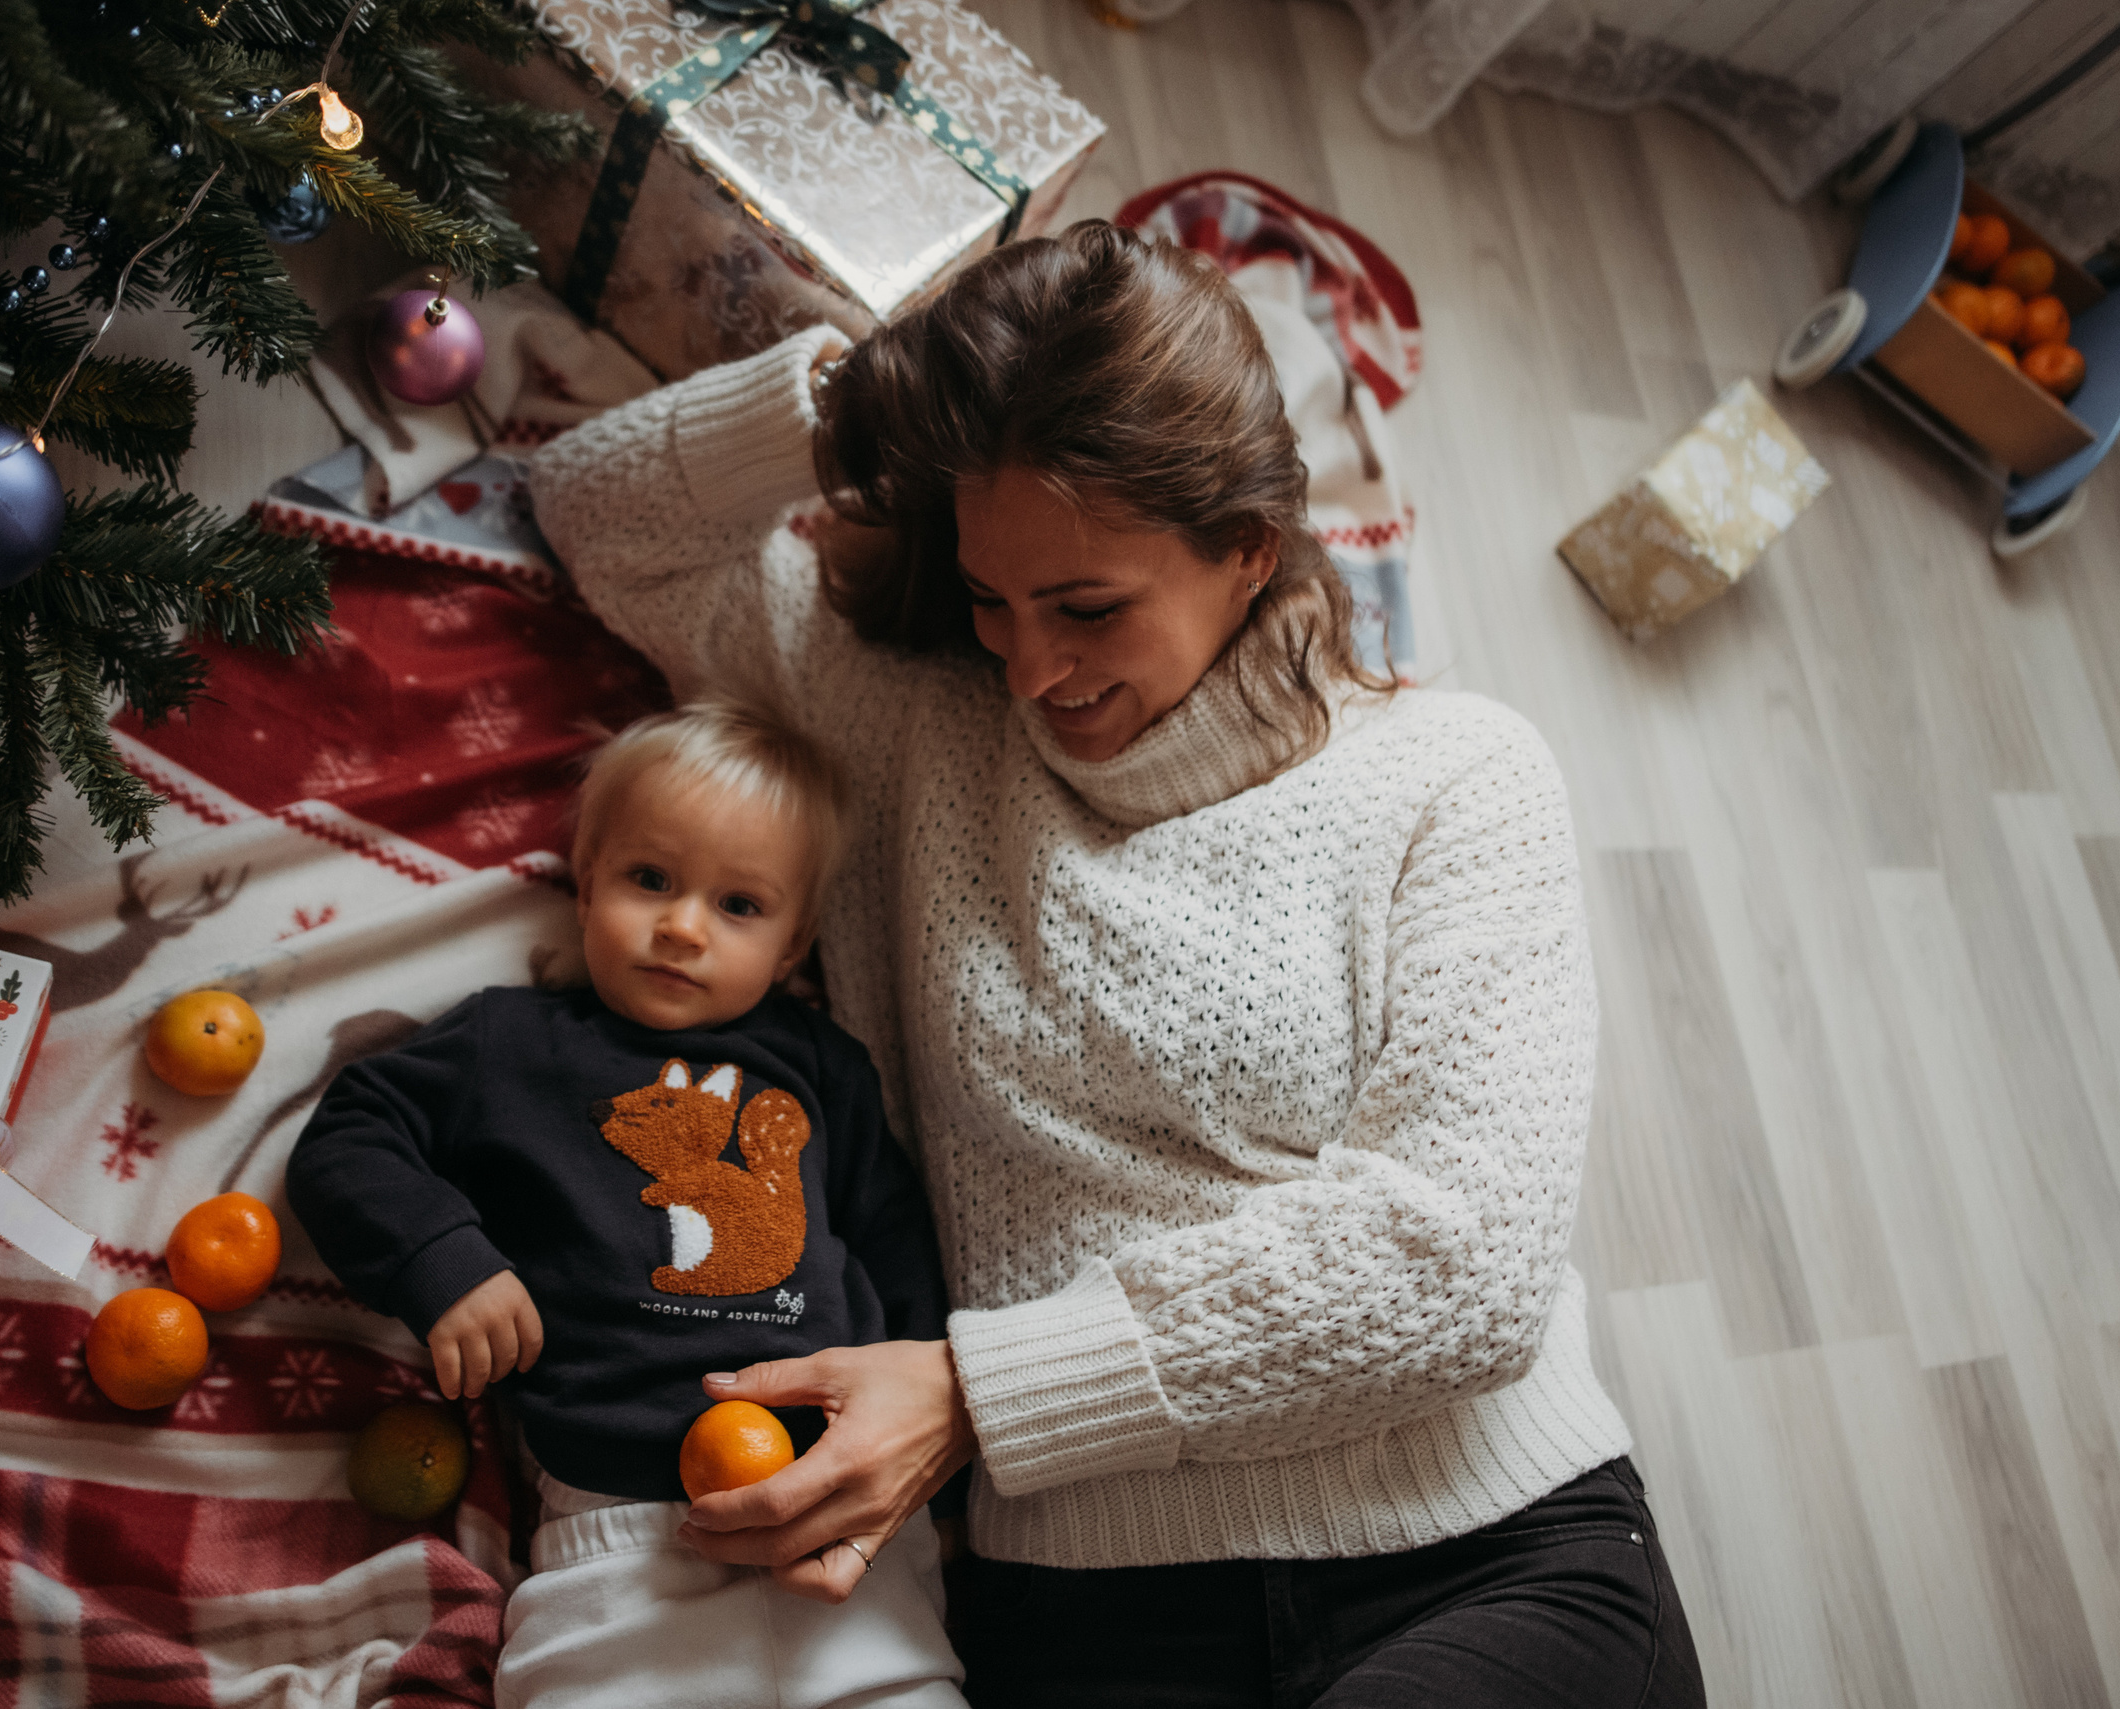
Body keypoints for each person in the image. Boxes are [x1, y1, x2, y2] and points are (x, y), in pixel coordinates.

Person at [528, 221, 1706, 1706]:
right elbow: (598, 515)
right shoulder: (908, 726)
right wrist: (862, 403)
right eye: (990, 599)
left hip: (1477, 1553)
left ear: (1246, 547)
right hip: (1086, 1617)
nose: (1032, 667)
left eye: (1089, 607)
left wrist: (978, 1389)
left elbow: (1462, 1265)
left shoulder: (1457, 773)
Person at [286, 702, 967, 1709]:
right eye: (650, 878)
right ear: (586, 877)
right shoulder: (507, 1042)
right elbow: (350, 1133)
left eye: (738, 905)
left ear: (792, 945)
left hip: (841, 1529)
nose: (683, 925)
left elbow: (898, 1253)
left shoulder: (824, 1068)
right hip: (615, 1539)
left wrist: (928, 1472)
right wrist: (446, 1260)